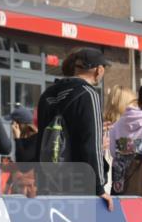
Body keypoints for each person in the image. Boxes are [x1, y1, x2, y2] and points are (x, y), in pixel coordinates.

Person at [36, 47, 112, 207]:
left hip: (49, 182)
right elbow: (90, 145)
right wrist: (99, 187)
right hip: (79, 184)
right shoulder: (88, 94)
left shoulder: (48, 94)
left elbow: (40, 139)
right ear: (99, 70)